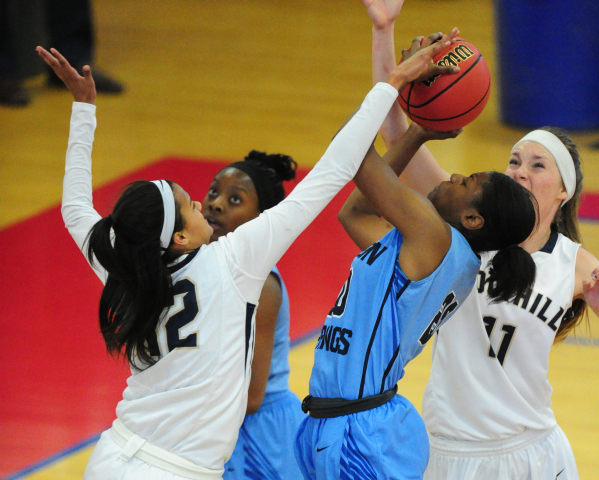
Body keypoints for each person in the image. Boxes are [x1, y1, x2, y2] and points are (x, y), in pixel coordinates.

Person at [36, 35, 449, 479]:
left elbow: (76, 210)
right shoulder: (233, 262)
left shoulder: (124, 266)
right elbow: (331, 171)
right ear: (177, 237)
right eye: (189, 205)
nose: (200, 203)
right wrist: (392, 82)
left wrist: (84, 111)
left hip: (112, 457)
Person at [360, 1, 599, 479]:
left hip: (533, 452)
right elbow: (395, 130)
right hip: (449, 451)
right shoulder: (463, 224)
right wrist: (384, 31)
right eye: (514, 161)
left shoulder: (576, 264)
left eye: (537, 165)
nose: (520, 172)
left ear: (564, 189)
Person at [294, 32, 540, 479]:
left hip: (358, 433)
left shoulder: (432, 237)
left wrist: (398, 80)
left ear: (472, 219)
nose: (454, 176)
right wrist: (419, 130)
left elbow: (351, 154)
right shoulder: (431, 251)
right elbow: (355, 213)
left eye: (465, 183)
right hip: (344, 422)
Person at [203, 151, 304, 479]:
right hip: (221, 416)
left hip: (259, 431)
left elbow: (252, 396)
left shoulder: (262, 287)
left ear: (261, 219)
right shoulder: (202, 263)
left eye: (235, 199)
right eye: (215, 192)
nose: (217, 204)